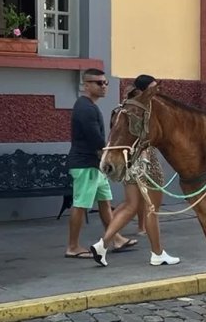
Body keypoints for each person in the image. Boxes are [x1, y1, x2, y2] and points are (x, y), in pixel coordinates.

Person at [90, 75, 179, 267]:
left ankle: (102, 244)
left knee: (131, 205)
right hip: (146, 162)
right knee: (152, 210)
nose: (157, 91)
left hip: (128, 162)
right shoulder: (142, 108)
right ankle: (157, 253)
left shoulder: (124, 107)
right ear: (144, 90)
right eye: (154, 88)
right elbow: (143, 137)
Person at [66, 68, 137, 258]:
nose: (104, 86)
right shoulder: (85, 108)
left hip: (94, 164)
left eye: (105, 83)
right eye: (99, 83)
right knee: (81, 205)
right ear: (86, 85)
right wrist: (111, 155)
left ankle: (116, 238)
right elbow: (95, 139)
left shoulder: (90, 106)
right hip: (85, 165)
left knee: (105, 203)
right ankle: (73, 247)